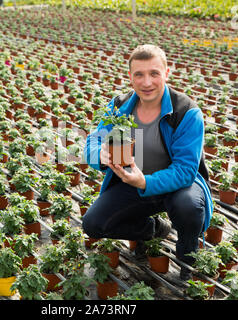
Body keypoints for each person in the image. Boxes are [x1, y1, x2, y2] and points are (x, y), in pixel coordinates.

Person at [82, 44, 213, 280]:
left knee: (188, 206)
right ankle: (154, 229)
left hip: (178, 186)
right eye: (139, 74)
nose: (147, 82)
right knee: (93, 224)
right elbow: (94, 141)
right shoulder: (120, 106)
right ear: (130, 77)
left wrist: (146, 182)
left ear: (166, 73)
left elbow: (185, 170)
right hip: (132, 182)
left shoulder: (186, 112)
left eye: (154, 73)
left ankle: (188, 258)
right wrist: (99, 155)